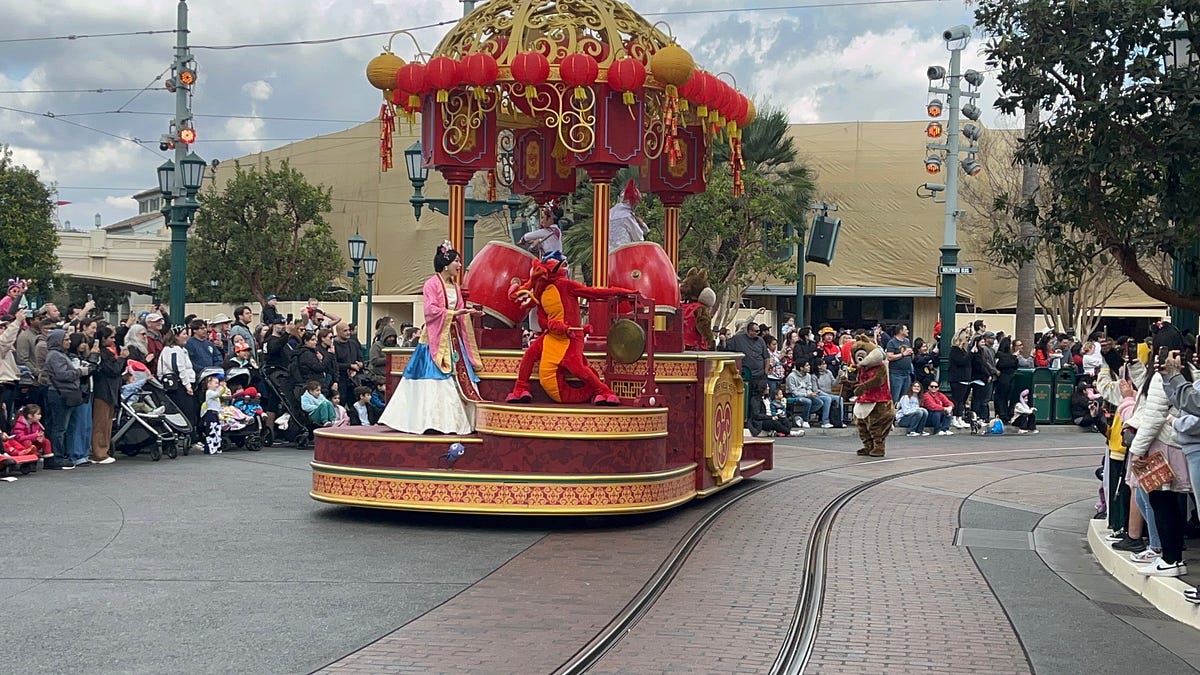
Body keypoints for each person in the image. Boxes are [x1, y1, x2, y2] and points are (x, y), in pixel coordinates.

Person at [379, 242, 483, 434]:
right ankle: (429, 420)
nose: (460, 266)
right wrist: (453, 312)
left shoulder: (456, 287)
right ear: (446, 264)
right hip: (435, 338)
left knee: (457, 376)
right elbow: (430, 310)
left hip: (453, 338)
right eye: (457, 262)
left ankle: (456, 422)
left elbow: (458, 309)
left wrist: (467, 313)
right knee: (435, 379)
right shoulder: (431, 284)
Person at [89, 325, 124, 464]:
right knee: (101, 422)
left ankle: (104, 448)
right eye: (111, 337)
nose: (114, 340)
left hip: (111, 391)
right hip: (103, 391)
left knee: (107, 422)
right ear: (103, 339)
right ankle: (99, 452)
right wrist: (121, 358)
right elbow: (114, 370)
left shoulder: (110, 352)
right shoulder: (103, 353)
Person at [607, 179, 649, 252]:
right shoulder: (627, 216)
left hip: (607, 255)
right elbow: (638, 238)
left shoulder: (610, 212)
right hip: (623, 253)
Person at [199, 373, 228, 455]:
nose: (217, 385)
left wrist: (221, 414)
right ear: (209, 384)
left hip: (215, 414)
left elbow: (218, 405)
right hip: (210, 413)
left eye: (218, 383)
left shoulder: (215, 395)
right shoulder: (209, 392)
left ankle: (217, 447)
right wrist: (223, 387)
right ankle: (209, 448)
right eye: (215, 383)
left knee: (217, 431)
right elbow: (218, 394)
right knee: (211, 431)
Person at [885, 324, 914, 404]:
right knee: (895, 397)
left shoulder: (907, 341)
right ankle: (893, 413)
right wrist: (903, 354)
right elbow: (889, 357)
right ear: (900, 331)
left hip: (907, 373)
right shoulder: (892, 342)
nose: (908, 331)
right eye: (906, 329)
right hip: (896, 374)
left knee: (905, 397)